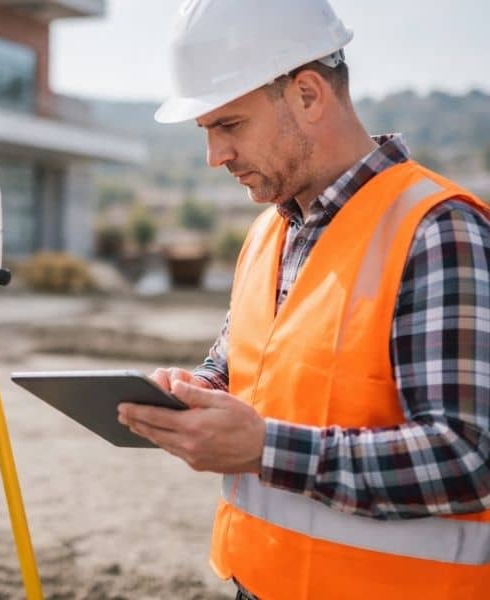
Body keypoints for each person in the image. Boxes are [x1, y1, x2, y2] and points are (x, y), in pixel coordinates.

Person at [116, 1, 489, 598]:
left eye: (229, 125)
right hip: (258, 582)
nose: (214, 156)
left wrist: (265, 448)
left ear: (308, 95)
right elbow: (237, 365)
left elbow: (468, 457)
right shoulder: (272, 230)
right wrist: (195, 394)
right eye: (205, 131)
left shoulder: (435, 229)